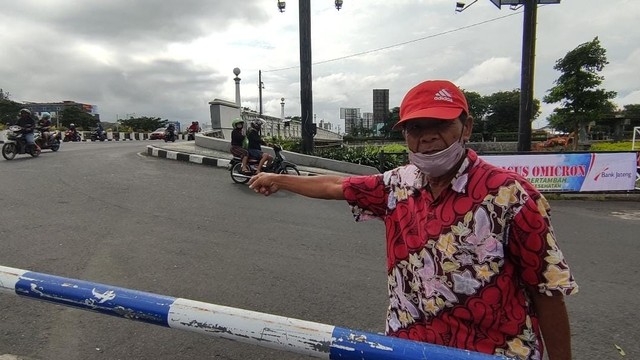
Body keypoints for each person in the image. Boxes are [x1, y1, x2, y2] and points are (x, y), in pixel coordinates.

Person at [248, 80, 578, 360]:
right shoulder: (398, 184)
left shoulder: (512, 196)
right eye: (416, 127)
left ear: (467, 127)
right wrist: (279, 180)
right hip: (408, 348)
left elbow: (547, 291)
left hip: (490, 353)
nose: (428, 137)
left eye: (441, 124)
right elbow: (336, 185)